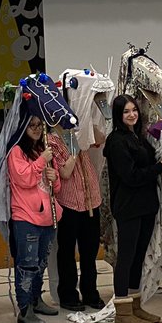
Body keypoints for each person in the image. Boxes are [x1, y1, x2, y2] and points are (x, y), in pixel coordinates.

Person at [103, 95, 162, 323]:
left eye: (134, 110)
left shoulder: (139, 137)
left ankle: (134, 305)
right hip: (129, 207)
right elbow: (131, 176)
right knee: (126, 258)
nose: (132, 115)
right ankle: (122, 311)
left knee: (138, 258)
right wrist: (160, 167)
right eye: (126, 112)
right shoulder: (116, 141)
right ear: (118, 116)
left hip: (146, 205)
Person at [7, 115, 62, 323]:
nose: (37, 129)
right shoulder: (16, 152)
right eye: (32, 125)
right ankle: (24, 308)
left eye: (40, 125)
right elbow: (24, 179)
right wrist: (41, 162)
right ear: (23, 126)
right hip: (26, 218)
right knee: (27, 265)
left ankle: (37, 300)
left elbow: (53, 188)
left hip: (47, 218)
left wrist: (54, 178)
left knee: (40, 264)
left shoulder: (43, 150)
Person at [47, 124, 104, 312]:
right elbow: (65, 172)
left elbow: (100, 138)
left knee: (90, 251)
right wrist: (75, 147)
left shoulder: (80, 131)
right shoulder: (52, 140)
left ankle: (90, 292)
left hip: (91, 199)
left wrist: (89, 117)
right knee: (66, 252)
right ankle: (68, 294)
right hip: (69, 202)